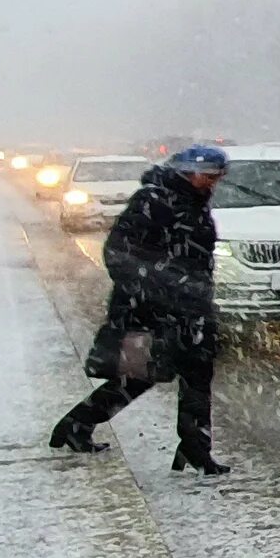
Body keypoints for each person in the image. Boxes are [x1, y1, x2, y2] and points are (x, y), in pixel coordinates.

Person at [50, 143, 230, 474]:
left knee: (197, 374)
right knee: (138, 377)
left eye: (218, 176)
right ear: (187, 173)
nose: (214, 183)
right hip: (149, 310)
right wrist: (155, 290)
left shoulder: (192, 202)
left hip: (190, 307)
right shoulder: (153, 201)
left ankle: (195, 447)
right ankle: (77, 423)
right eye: (210, 176)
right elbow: (118, 251)